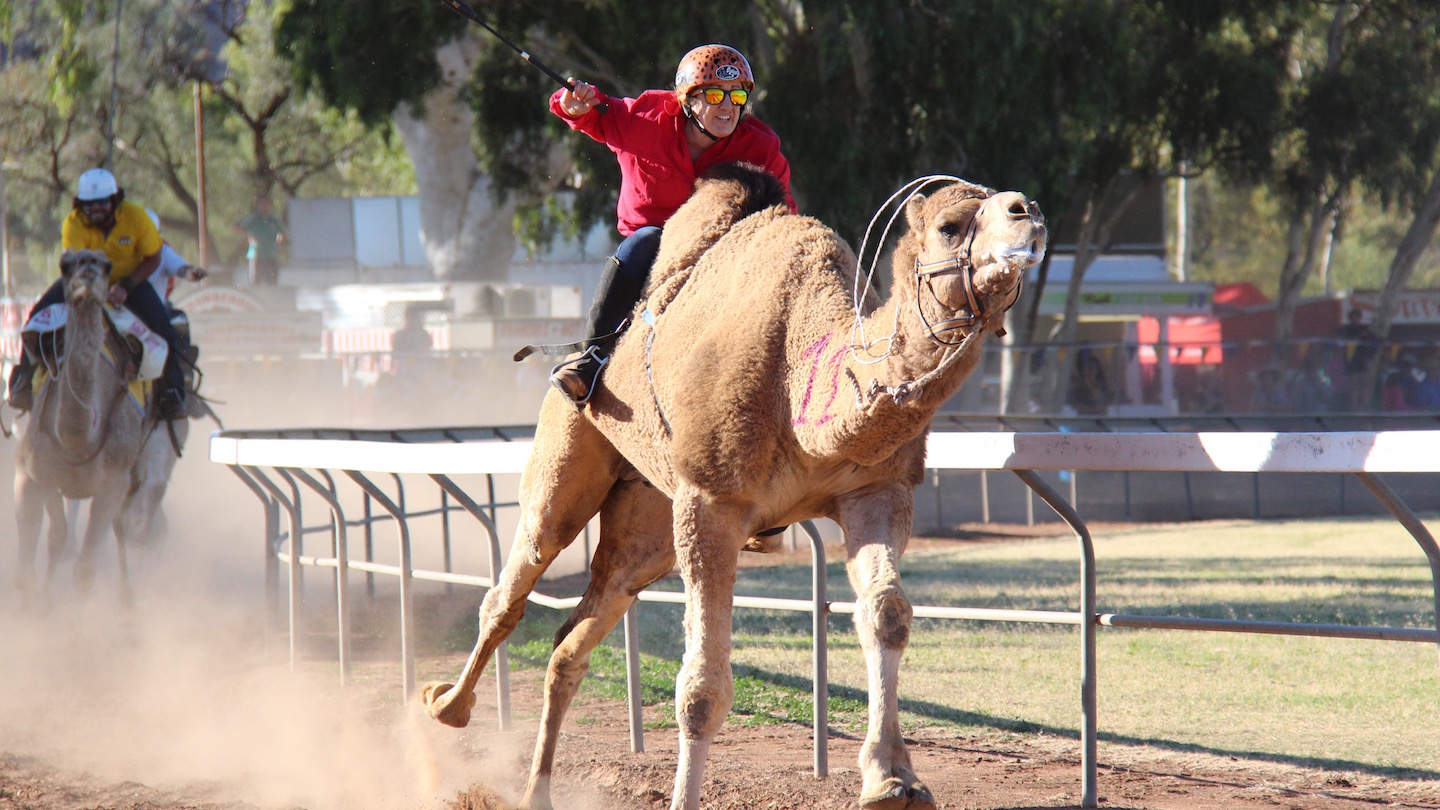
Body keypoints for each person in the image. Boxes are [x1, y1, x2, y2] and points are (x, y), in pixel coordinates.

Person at [546, 43, 797, 403]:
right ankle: (591, 359)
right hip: (653, 252)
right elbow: (593, 112)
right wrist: (572, 104)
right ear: (688, 100)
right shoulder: (646, 119)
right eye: (715, 95)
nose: (728, 106)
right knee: (644, 239)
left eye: (737, 96)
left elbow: (784, 215)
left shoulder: (762, 148)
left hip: (722, 252)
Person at [6, 168, 187, 419]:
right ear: (80, 205)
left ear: (114, 200)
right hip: (83, 279)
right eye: (88, 204)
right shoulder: (73, 223)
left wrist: (127, 286)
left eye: (101, 202)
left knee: (164, 328)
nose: (95, 209)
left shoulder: (136, 217)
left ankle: (172, 391)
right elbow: (73, 263)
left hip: (129, 280)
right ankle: (23, 381)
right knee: (36, 319)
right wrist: (88, 288)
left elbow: (154, 257)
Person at [145, 209, 208, 303]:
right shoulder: (123, 252)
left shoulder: (163, 251)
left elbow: (180, 268)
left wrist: (189, 272)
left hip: (152, 309)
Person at [234, 195, 284, 286]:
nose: (264, 206)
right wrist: (249, 236)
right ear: (258, 205)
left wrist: (278, 242)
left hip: (271, 256)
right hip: (256, 255)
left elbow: (281, 232)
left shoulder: (273, 219)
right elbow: (236, 227)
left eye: (266, 203)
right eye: (262, 203)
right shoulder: (253, 218)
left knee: (272, 282)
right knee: (256, 283)